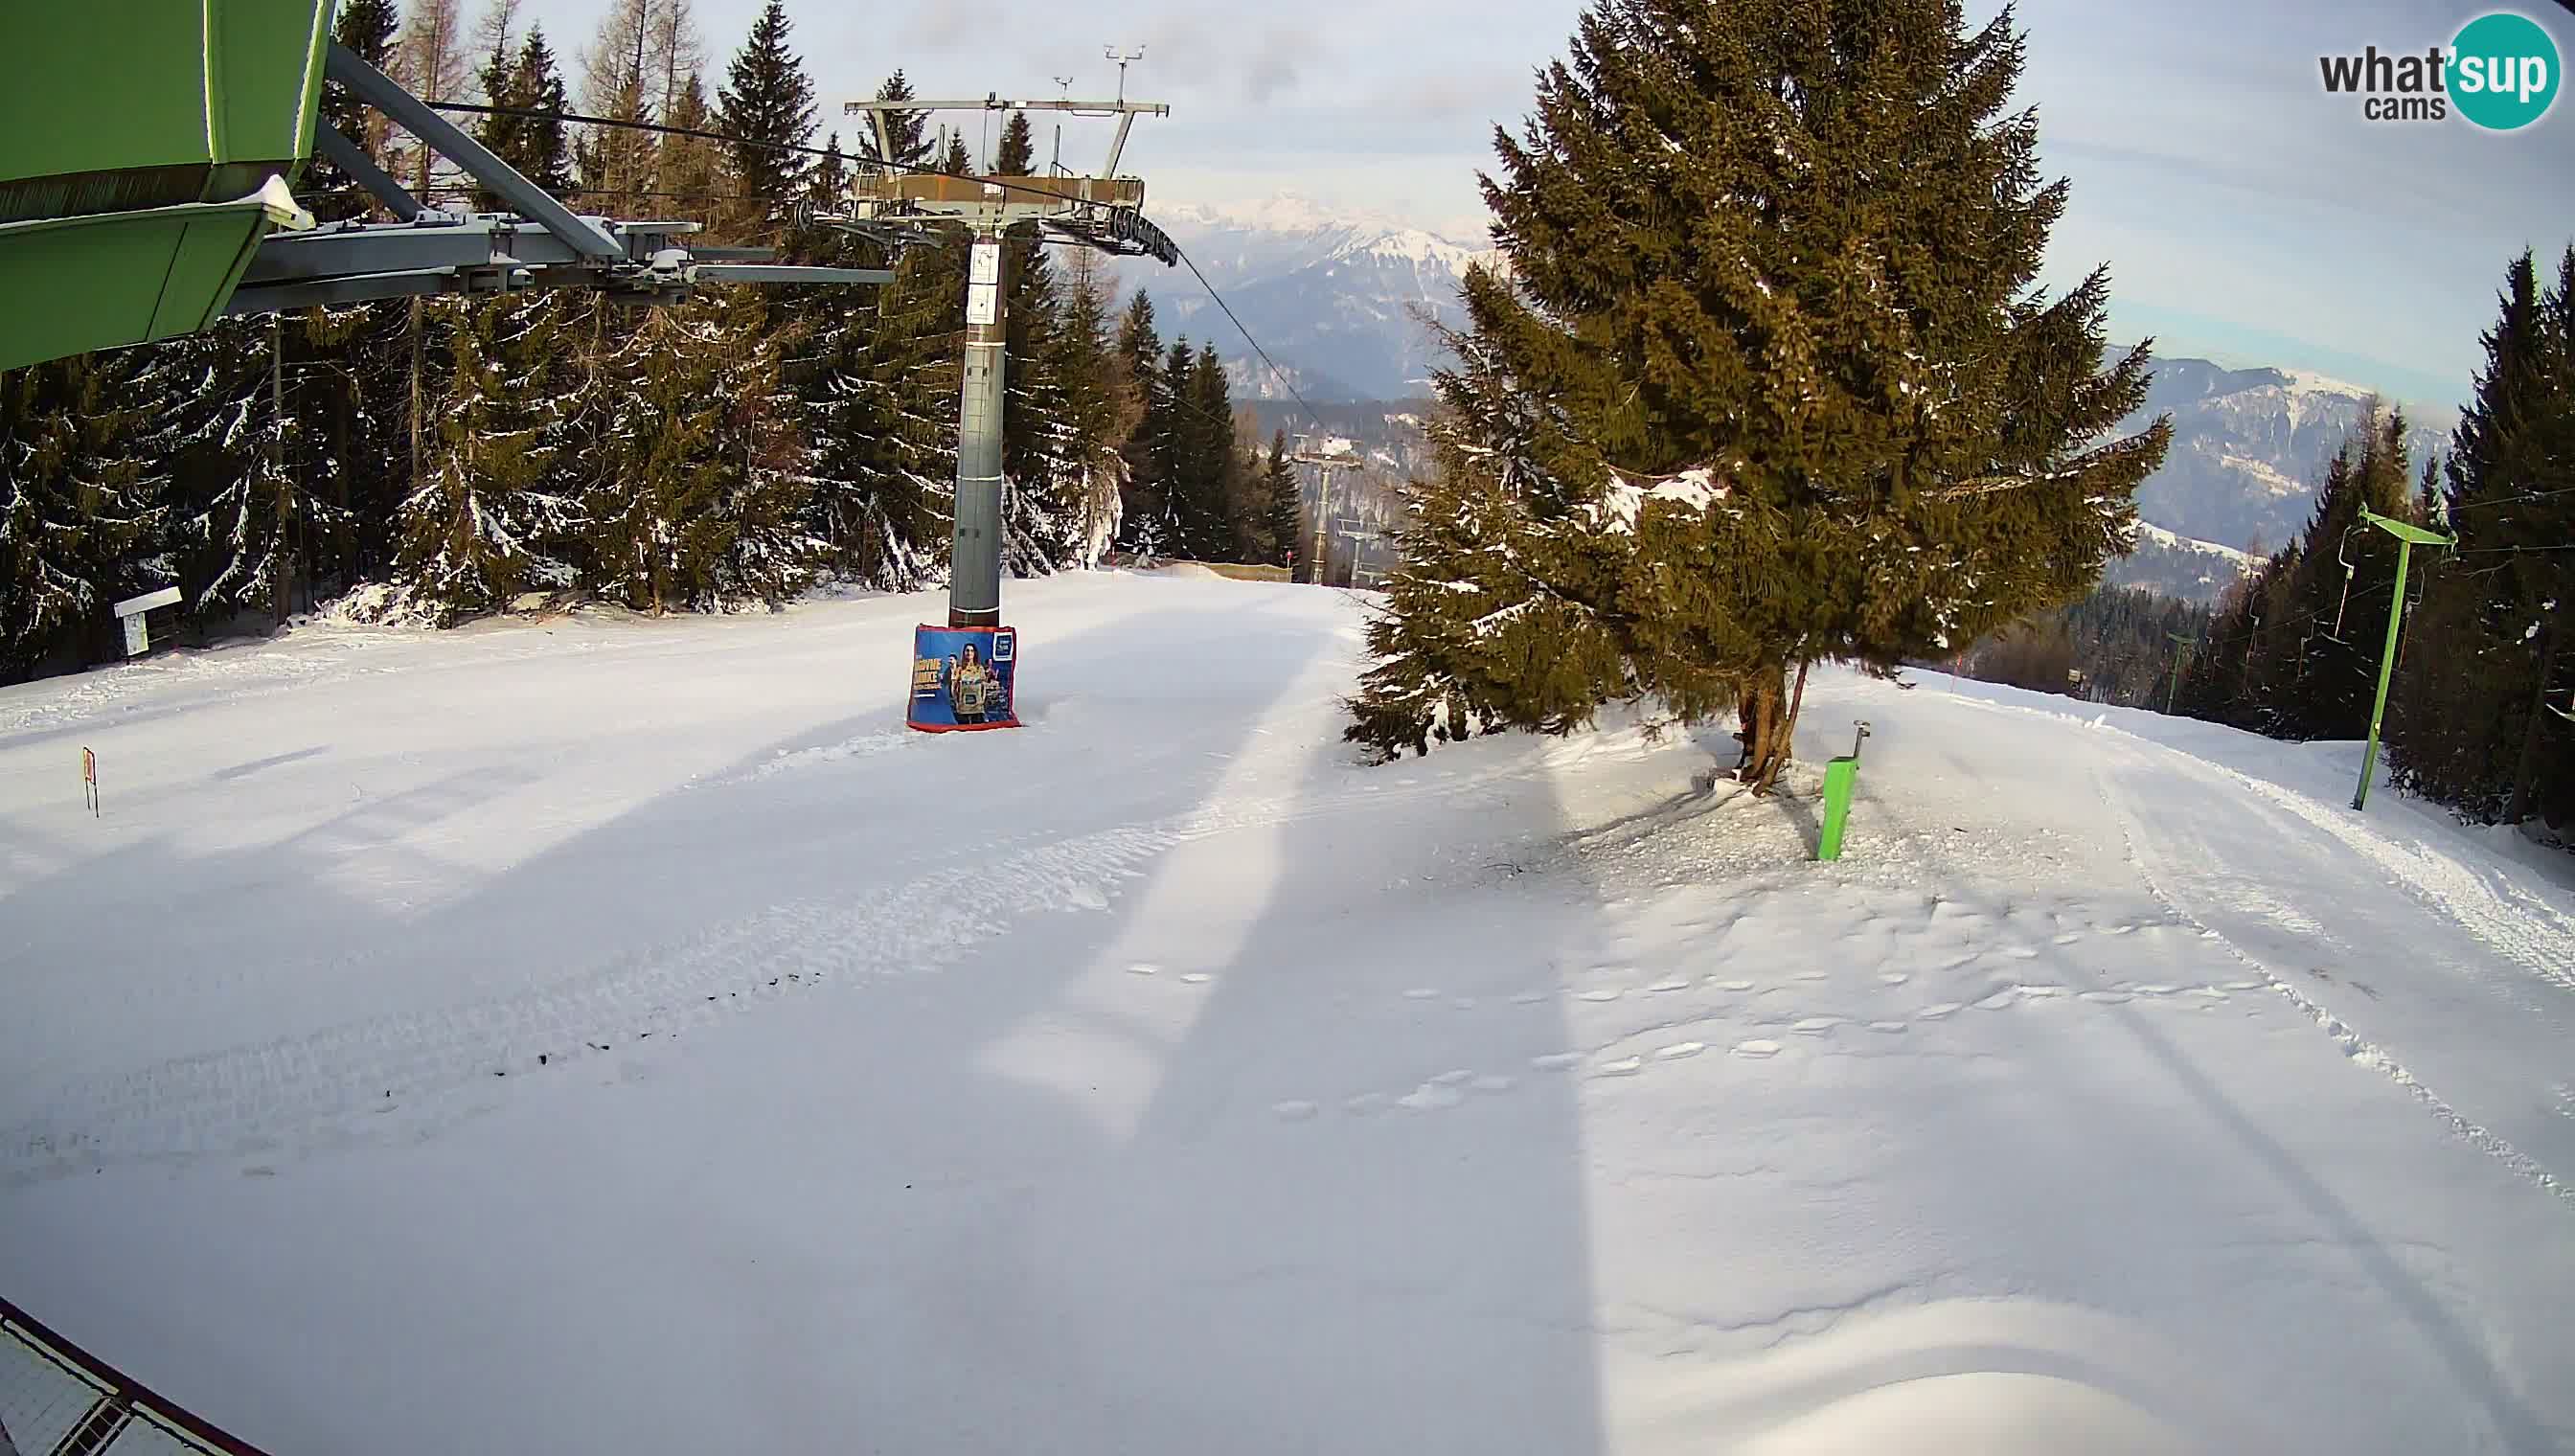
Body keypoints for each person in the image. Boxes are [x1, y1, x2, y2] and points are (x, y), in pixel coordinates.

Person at [948, 642, 991, 725]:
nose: (969, 653)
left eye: (972, 651)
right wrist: (957, 701)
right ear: (964, 653)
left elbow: (983, 687)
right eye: (967, 650)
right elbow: (954, 687)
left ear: (975, 653)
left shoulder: (980, 668)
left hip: (977, 709)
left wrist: (982, 701)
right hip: (963, 709)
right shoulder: (959, 669)